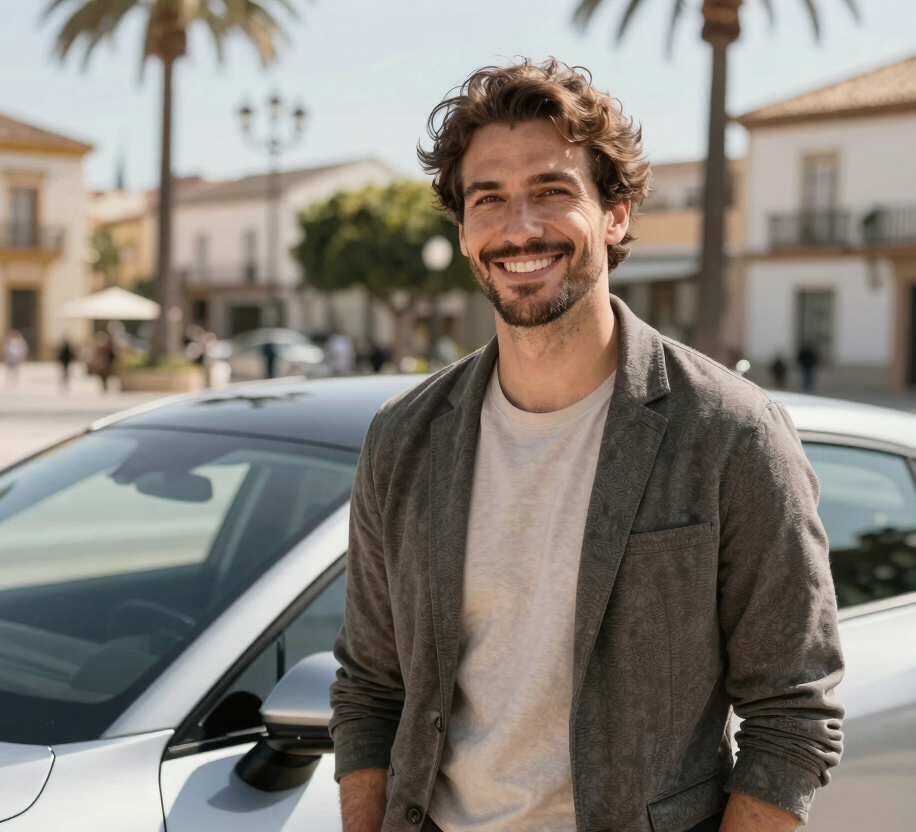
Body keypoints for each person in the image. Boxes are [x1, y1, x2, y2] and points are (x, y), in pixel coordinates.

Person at [330, 60, 843, 832]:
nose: (520, 227)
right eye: (489, 200)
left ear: (616, 213)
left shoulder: (729, 434)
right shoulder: (404, 438)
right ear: (465, 232)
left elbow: (793, 717)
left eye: (552, 191)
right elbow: (370, 687)